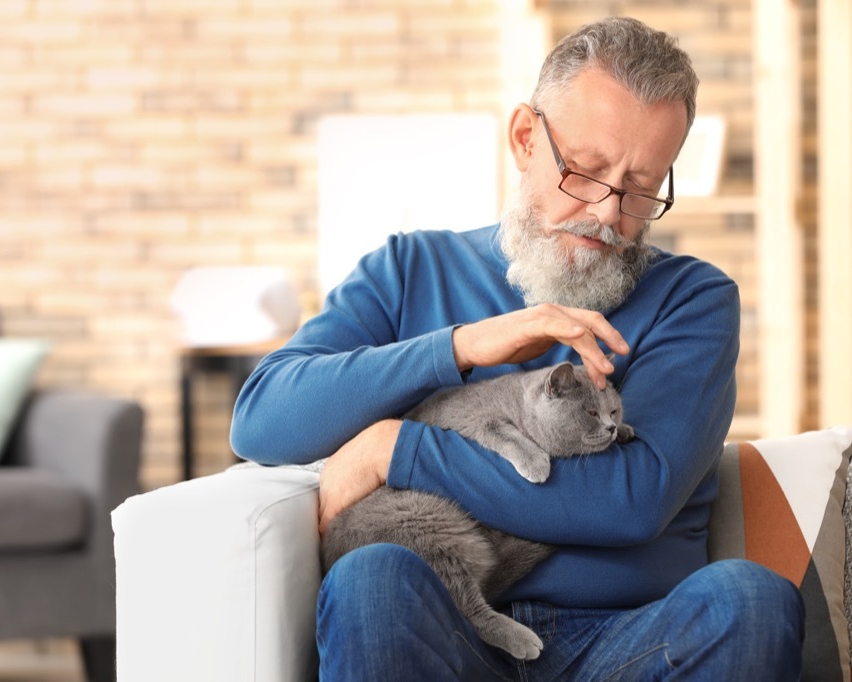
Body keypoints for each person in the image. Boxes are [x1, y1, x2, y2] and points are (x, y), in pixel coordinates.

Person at [231, 15, 804, 681]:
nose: (610, 215)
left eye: (642, 187)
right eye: (585, 172)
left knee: (750, 600)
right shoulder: (409, 270)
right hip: (444, 630)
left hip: (628, 643)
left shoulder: (692, 300)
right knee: (372, 578)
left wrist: (397, 450)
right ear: (527, 138)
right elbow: (263, 421)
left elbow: (631, 499)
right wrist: (463, 347)